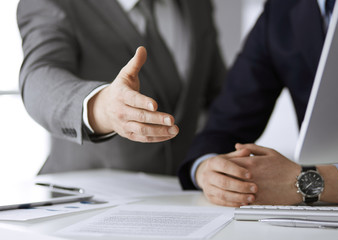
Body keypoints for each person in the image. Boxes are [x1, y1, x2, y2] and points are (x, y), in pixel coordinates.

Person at [178, 0, 338, 208]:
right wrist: (209, 170)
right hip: (322, 218)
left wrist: (312, 182)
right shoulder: (280, 10)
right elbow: (224, 126)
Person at [17, 0, 225, 175]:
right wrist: (101, 107)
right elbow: (40, 76)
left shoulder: (197, 5)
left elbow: (219, 93)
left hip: (182, 200)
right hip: (87, 201)